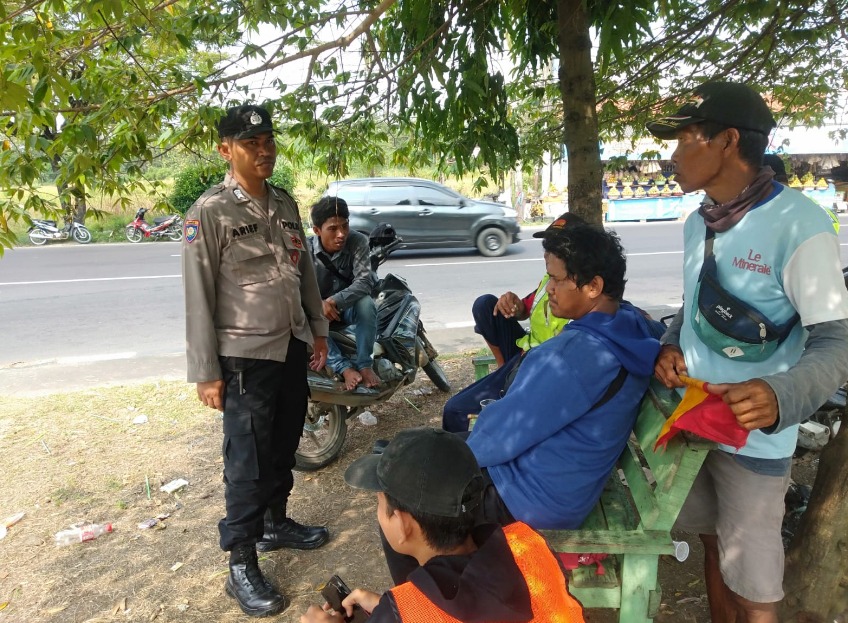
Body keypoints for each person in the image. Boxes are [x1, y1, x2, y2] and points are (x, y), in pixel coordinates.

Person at [647, 80, 848, 623]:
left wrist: (780, 395)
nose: (672, 156)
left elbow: (837, 340)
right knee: (715, 546)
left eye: (685, 138)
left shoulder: (800, 225)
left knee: (755, 586)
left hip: (754, 436)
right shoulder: (699, 222)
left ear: (727, 140)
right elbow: (694, 305)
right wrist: (671, 344)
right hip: (696, 418)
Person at [182, 104, 331, 617]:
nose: (264, 150)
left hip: (290, 345)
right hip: (243, 356)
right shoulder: (210, 212)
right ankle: (241, 562)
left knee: (284, 441)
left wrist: (317, 329)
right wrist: (205, 371)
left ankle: (275, 522)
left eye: (268, 140)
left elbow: (303, 272)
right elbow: (198, 294)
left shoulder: (285, 204)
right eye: (251, 143)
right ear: (226, 150)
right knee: (247, 460)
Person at [464, 223, 662, 530]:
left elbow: (503, 434)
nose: (549, 289)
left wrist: (454, 461)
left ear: (593, 287)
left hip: (527, 497)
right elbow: (658, 328)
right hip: (568, 489)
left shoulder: (570, 356)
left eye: (556, 279)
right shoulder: (630, 322)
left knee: (409, 495)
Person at [299, 427, 586, 623]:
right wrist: (390, 608)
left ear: (403, 525)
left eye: (380, 504)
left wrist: (395, 613)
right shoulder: (529, 545)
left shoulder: (407, 615)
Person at [441, 213, 581, 433]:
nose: (547, 253)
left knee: (456, 411)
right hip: (526, 356)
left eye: (557, 247)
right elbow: (526, 308)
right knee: (486, 304)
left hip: (540, 369)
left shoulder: (584, 299)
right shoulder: (550, 280)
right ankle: (503, 369)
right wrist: (515, 304)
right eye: (547, 246)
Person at [309, 196, 380, 390]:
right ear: (317, 230)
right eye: (333, 229)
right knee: (300, 314)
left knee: (366, 303)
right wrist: (318, 304)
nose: (341, 234)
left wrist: (333, 301)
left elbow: (364, 282)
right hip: (317, 315)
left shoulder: (358, 241)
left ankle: (365, 364)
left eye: (345, 226)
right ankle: (344, 368)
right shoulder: (305, 250)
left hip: (346, 310)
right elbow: (295, 288)